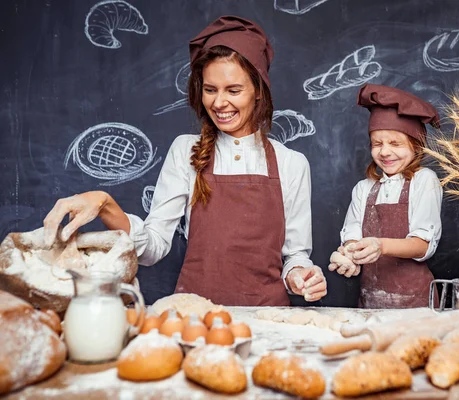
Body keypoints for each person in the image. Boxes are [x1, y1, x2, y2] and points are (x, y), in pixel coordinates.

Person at [43, 15, 327, 306]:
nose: (219, 103)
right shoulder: (185, 151)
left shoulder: (292, 163)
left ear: (258, 92)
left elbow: (295, 255)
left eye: (233, 90)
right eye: (210, 89)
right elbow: (153, 247)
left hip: (268, 322)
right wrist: (106, 204)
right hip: (194, 316)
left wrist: (300, 276)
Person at [328, 83, 442, 309]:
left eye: (395, 143)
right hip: (370, 300)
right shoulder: (364, 188)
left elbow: (422, 245)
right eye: (377, 143)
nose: (385, 151)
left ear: (416, 146)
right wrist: (351, 255)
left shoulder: (424, 180)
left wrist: (380, 245)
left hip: (415, 304)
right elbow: (353, 236)